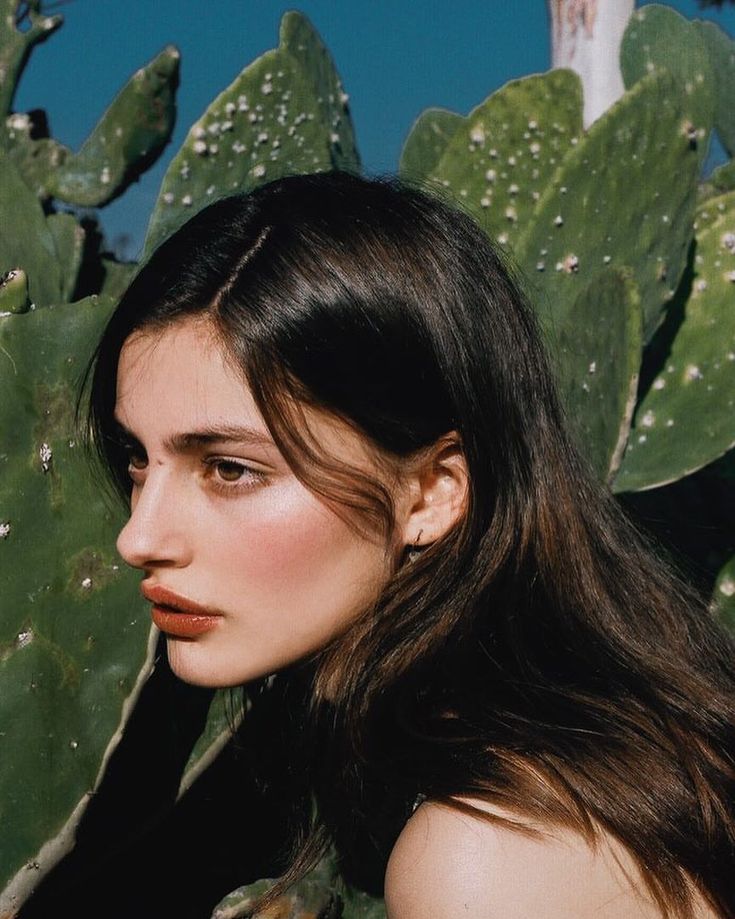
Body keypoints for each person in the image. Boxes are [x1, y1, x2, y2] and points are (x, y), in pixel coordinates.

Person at [85, 172, 735, 918]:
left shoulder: (483, 856)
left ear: (430, 492)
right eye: (139, 457)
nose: (137, 537)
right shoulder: (606, 742)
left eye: (230, 468)